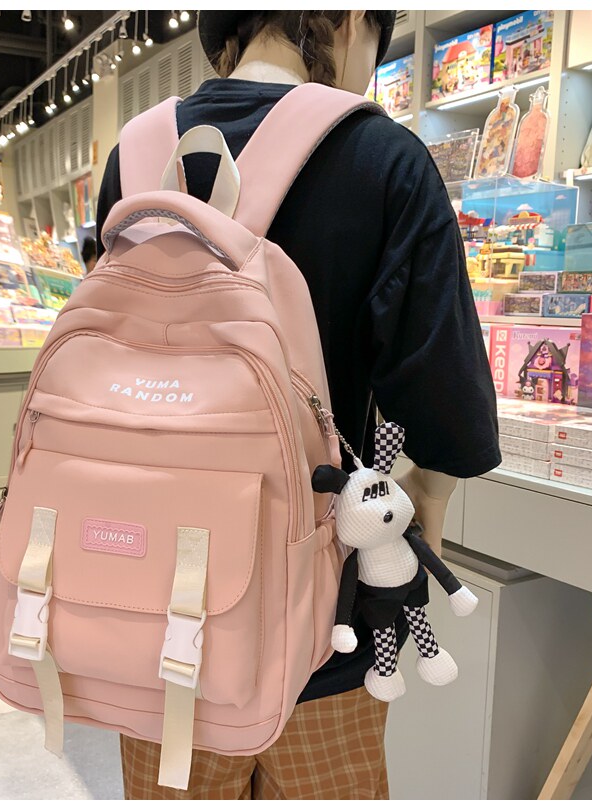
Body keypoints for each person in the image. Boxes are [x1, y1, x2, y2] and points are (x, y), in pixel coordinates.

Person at [96, 10, 501, 800]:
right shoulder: (383, 157)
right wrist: (427, 499)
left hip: (153, 602)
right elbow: (445, 398)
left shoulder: (137, 156)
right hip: (322, 620)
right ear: (349, 19)